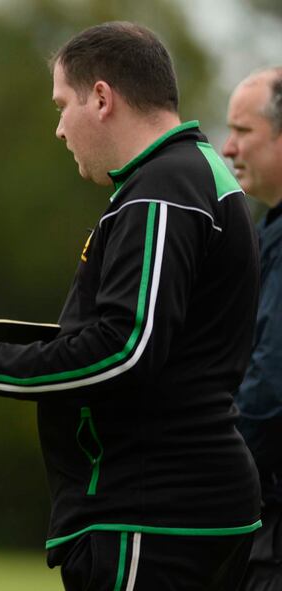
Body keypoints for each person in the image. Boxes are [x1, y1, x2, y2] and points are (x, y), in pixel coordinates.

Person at [0, 22, 261, 590]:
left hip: (151, 514)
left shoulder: (161, 189)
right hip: (184, 507)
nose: (58, 128)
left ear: (101, 98)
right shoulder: (192, 177)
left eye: (61, 104)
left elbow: (127, 348)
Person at [223, 67, 282, 591]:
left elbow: (270, 386)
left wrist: (213, 474)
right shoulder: (268, 231)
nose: (227, 148)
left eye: (242, 131)